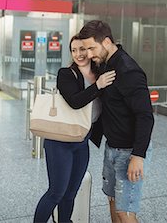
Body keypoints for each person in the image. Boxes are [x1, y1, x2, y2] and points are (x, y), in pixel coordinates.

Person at [34, 34, 116, 223]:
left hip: (82, 141)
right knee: (56, 192)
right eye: (74, 50)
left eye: (82, 49)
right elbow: (74, 101)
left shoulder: (100, 72)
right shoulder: (66, 74)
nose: (78, 54)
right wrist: (98, 85)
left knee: (71, 193)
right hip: (60, 142)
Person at [78, 20, 154, 223]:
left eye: (92, 48)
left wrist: (138, 156)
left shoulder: (129, 70)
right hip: (112, 147)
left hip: (129, 151)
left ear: (107, 42)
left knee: (125, 211)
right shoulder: (104, 65)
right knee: (112, 200)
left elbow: (145, 115)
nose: (90, 54)